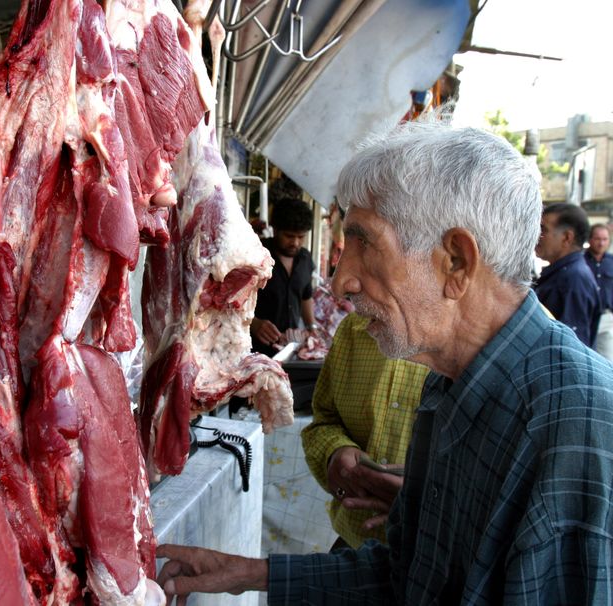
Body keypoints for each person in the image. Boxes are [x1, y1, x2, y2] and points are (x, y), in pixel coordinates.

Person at [156, 122, 613, 604]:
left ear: (455, 261)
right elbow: (413, 576)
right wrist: (249, 573)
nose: (339, 282)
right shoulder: (448, 386)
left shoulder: (577, 424)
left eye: (364, 242)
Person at [301, 312, 428, 549]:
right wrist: (335, 452)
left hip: (436, 558)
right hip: (354, 541)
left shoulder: (478, 340)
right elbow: (324, 420)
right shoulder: (354, 328)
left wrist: (427, 502)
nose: (340, 286)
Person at [251, 198, 316, 357]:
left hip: (289, 350)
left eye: (301, 237)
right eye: (289, 236)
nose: (295, 243)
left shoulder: (305, 259)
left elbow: (305, 297)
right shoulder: (254, 255)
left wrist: (311, 327)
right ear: (275, 229)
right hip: (254, 351)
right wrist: (253, 323)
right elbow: (230, 300)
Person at [534, 202, 601, 347]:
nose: (537, 235)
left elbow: (572, 347)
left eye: (543, 229)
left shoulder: (573, 279)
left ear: (567, 238)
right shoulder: (564, 274)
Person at [585, 223, 613, 360]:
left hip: (606, 318)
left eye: (605, 239)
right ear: (589, 239)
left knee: (607, 359)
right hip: (585, 317)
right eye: (597, 239)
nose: (601, 243)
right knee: (587, 356)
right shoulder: (580, 261)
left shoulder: (612, 262)